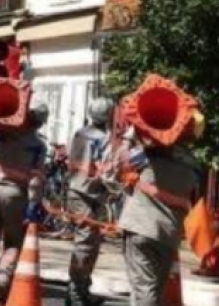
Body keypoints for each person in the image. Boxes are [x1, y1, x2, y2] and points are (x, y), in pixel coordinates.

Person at [116, 112, 204, 306]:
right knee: (155, 287)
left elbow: (120, 162)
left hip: (140, 225)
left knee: (144, 288)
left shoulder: (147, 157)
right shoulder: (194, 166)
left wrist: (129, 137)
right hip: (168, 233)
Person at [0, 102, 49, 304]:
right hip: (15, 194)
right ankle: (0, 280)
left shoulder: (0, 133)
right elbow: (35, 180)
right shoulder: (38, 145)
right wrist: (34, 204)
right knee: (14, 241)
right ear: (40, 123)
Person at [66, 97, 115, 306]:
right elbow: (107, 172)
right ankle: (76, 294)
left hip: (78, 192)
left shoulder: (79, 133)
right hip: (89, 194)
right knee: (86, 246)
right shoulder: (105, 140)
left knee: (90, 245)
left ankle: (82, 290)